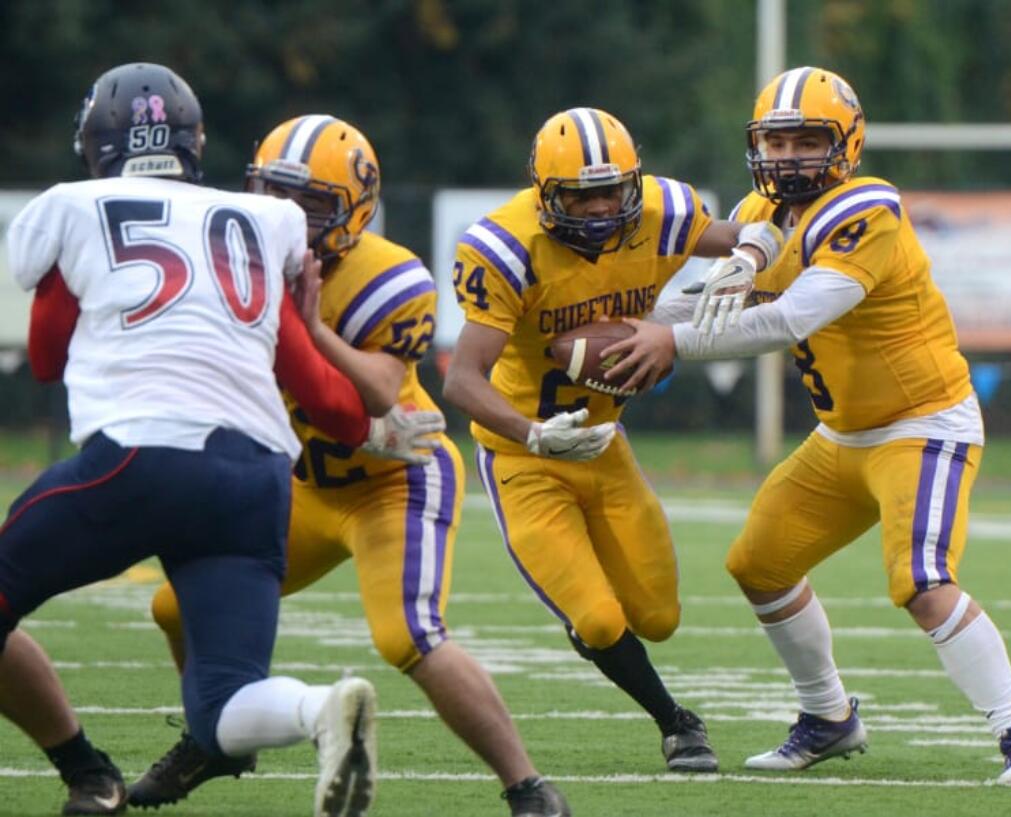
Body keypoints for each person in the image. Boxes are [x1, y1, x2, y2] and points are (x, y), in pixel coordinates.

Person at [0, 64, 438, 817]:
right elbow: (311, 381)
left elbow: (43, 358)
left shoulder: (74, 206)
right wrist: (371, 426)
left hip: (137, 456)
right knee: (222, 705)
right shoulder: (260, 223)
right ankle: (320, 709)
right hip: (253, 478)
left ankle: (84, 767)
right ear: (196, 142)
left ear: (94, 144)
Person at [603, 66, 1011, 784]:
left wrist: (670, 343)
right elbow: (706, 303)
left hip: (923, 424)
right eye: (775, 141)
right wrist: (635, 323)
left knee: (924, 580)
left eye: (807, 139)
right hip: (843, 435)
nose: (788, 156)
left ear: (848, 143)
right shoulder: (760, 210)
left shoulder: (867, 208)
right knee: (759, 563)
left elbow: (789, 317)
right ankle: (829, 716)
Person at [128, 115, 569, 817]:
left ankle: (529, 786)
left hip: (394, 478)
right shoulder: (224, 264)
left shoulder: (387, 276)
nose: (283, 217)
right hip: (302, 483)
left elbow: (380, 392)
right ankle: (214, 736)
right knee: (174, 605)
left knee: (409, 637)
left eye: (308, 206)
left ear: (353, 213)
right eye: (272, 194)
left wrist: (311, 327)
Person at [441, 106, 783, 773]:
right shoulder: (506, 247)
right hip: (525, 457)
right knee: (599, 620)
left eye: (612, 190)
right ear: (546, 194)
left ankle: (599, 628)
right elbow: (461, 380)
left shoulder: (660, 211)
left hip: (606, 444)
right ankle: (677, 721)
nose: (601, 208)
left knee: (658, 616)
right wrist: (535, 434)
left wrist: (747, 258)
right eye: (581, 194)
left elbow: (764, 234)